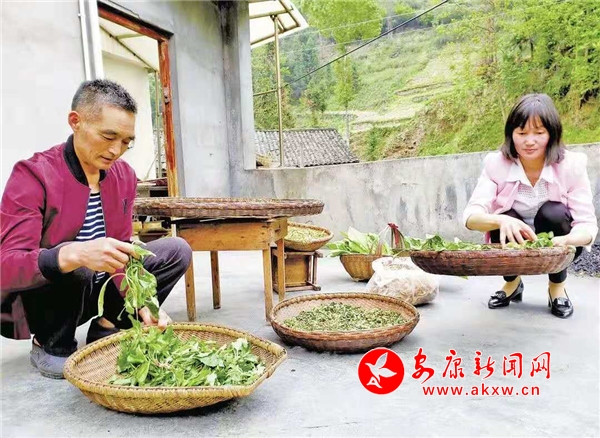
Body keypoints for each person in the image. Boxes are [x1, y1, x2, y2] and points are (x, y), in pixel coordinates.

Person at [0, 79, 193, 378]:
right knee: (79, 263)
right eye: (108, 136)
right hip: (50, 297)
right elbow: (7, 265)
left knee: (176, 250)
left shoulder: (123, 176)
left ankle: (107, 326)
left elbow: (121, 249)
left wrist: (144, 303)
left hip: (97, 285)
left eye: (127, 142)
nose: (116, 150)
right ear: (75, 121)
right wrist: (72, 254)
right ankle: (50, 343)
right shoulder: (33, 175)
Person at [463, 93, 597, 319]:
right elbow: (470, 216)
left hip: (555, 239)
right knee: (502, 217)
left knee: (554, 212)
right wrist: (501, 220)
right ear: (511, 135)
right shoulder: (495, 164)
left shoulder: (571, 165)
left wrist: (566, 240)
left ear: (552, 134)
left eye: (539, 133)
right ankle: (513, 283)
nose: (529, 141)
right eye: (522, 133)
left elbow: (587, 225)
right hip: (513, 241)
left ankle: (556, 287)